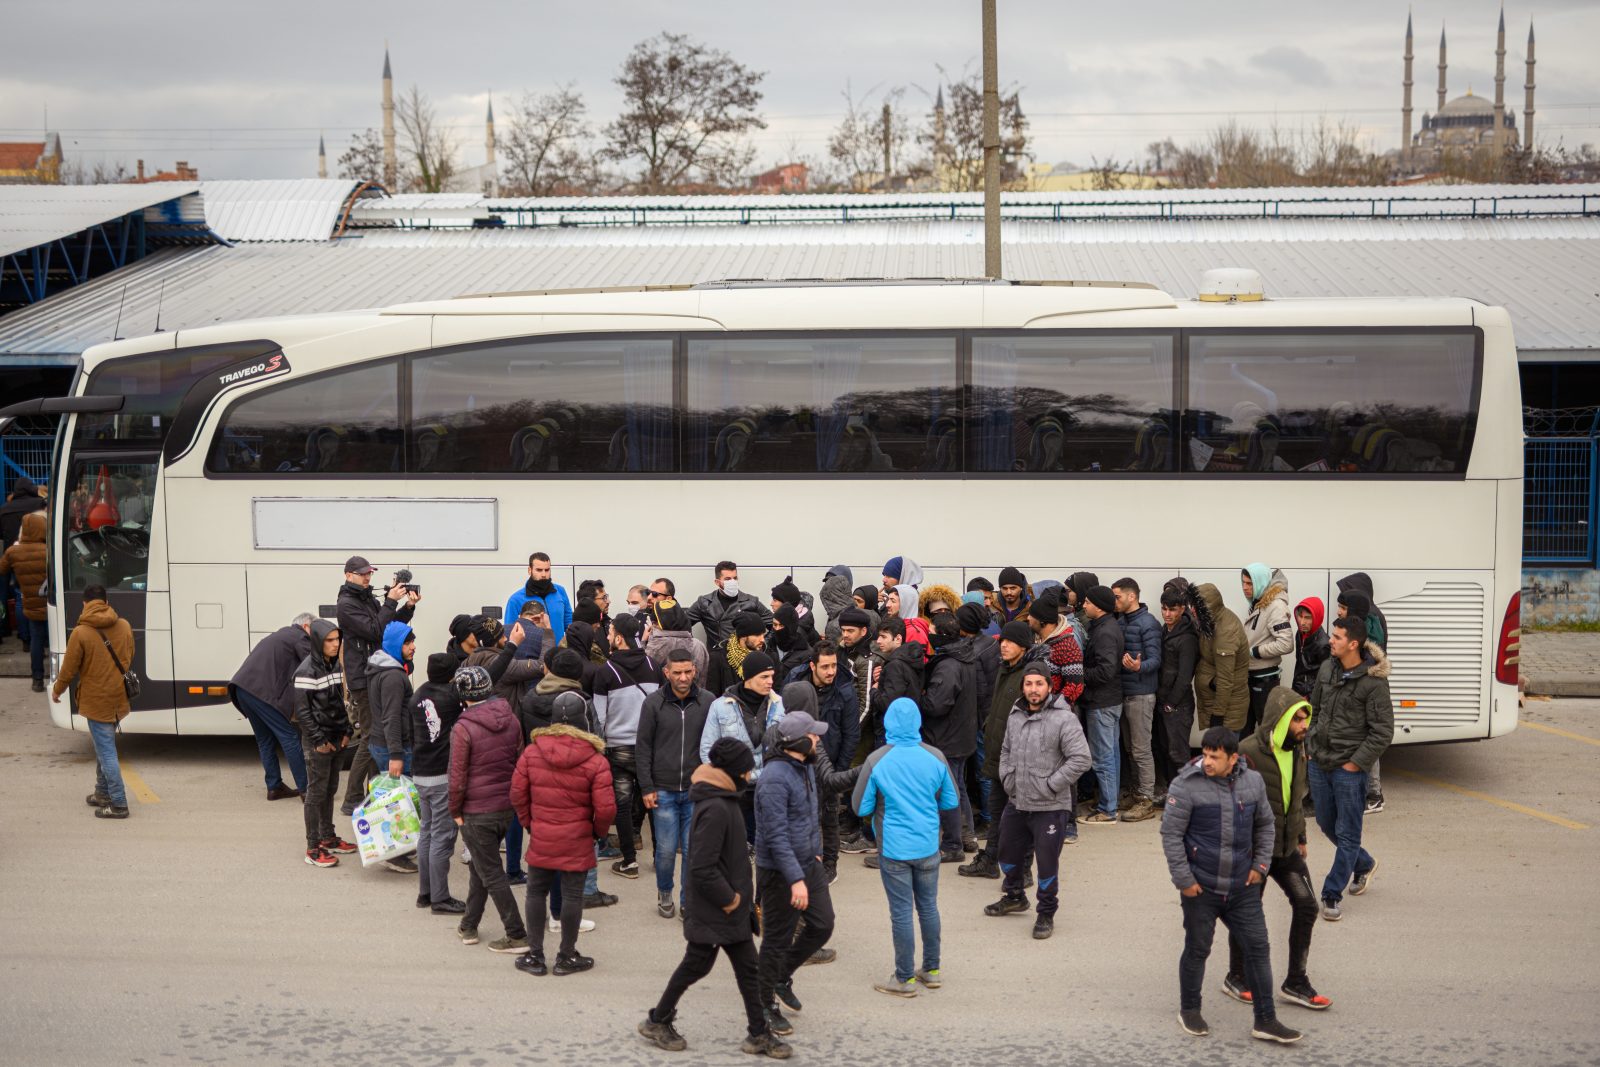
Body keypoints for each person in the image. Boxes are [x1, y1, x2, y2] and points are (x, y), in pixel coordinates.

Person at [637, 738, 791, 1059]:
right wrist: (730, 899)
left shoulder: (724, 800)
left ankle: (758, 1033)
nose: (750, 776)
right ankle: (658, 1020)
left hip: (729, 910)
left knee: (747, 970)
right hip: (718, 909)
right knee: (696, 965)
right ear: (735, 772)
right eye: (747, 770)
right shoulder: (716, 808)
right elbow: (701, 866)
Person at [1162, 726, 1301, 1044]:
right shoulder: (1185, 785)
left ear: (1233, 758)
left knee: (1258, 949)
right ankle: (1190, 1009)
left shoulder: (1252, 782)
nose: (1207, 762)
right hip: (1201, 888)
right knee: (1198, 949)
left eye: (1215, 756)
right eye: (1205, 755)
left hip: (1243, 888)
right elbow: (1171, 835)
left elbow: (1266, 823)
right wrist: (1185, 881)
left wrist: (1261, 866)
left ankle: (1265, 1020)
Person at [1225, 688, 1331, 1012]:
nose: (1303, 725)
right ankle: (1236, 976)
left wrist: (1301, 837)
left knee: (1307, 906)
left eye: (1305, 718)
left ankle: (1295, 981)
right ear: (1279, 719)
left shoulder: (1299, 749)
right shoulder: (1246, 753)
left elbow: (1294, 798)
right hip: (1253, 853)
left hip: (1286, 850)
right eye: (1297, 719)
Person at [852, 697, 959, 996]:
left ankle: (904, 978)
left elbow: (861, 807)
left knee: (901, 912)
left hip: (894, 850)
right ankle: (932, 969)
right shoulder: (935, 756)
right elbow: (950, 801)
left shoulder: (877, 760)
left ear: (888, 723)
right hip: (928, 846)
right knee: (928, 907)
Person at [510, 689, 615, 977]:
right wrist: (596, 833)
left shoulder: (532, 753)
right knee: (572, 896)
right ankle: (566, 955)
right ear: (584, 720)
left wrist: (531, 823)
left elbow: (517, 794)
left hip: (542, 833)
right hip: (578, 837)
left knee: (535, 892)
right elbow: (605, 808)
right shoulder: (596, 760)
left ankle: (535, 955)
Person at [984, 663, 1091, 939]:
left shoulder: (1064, 719)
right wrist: (1008, 778)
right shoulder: (1015, 714)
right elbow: (1006, 749)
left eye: (1039, 684)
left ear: (1049, 686)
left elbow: (1081, 759)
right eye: (1029, 684)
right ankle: (1015, 896)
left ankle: (1046, 913)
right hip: (1017, 801)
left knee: (1046, 864)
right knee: (1006, 854)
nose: (1033, 689)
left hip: (1050, 807)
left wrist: (1051, 785)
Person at [754, 710, 836, 1039]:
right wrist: (795, 879)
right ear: (798, 741)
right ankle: (763, 1005)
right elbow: (775, 836)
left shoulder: (805, 767)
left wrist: (815, 848)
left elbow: (809, 813)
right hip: (779, 872)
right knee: (775, 940)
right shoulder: (774, 778)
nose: (818, 739)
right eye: (813, 734)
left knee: (823, 924)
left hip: (807, 862)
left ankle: (781, 976)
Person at [1305, 615, 1392, 922]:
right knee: (1327, 823)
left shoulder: (1373, 682)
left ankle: (1331, 894)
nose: (1331, 640)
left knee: (1348, 832)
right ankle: (1364, 863)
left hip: (1348, 769)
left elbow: (1383, 731)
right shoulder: (1328, 668)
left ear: (1353, 644)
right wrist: (1310, 747)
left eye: (1338, 637)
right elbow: (1314, 710)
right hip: (1320, 761)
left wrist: (1356, 763)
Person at [448, 665, 530, 956]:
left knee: (491, 871)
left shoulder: (463, 727)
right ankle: (469, 925)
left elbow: (457, 776)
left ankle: (516, 933)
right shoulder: (511, 718)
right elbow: (520, 763)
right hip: (505, 806)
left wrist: (455, 810)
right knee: (480, 866)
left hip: (476, 810)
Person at [637, 648, 716, 918]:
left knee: (693, 851)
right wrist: (647, 787)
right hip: (663, 790)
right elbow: (643, 747)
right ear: (666, 673)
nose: (683, 678)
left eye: (688, 672)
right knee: (667, 851)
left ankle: (687, 901)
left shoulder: (708, 702)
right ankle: (664, 891)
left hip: (697, 791)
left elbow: (716, 746)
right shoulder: (653, 703)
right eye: (677, 673)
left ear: (695, 670)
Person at [336, 556, 417, 817]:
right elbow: (374, 631)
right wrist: (391, 601)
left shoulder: (365, 597)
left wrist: (407, 607)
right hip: (363, 677)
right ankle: (352, 799)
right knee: (371, 738)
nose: (367, 577)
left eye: (369, 573)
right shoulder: (346, 604)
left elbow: (387, 629)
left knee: (376, 737)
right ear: (348, 575)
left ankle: (372, 794)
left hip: (374, 672)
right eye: (362, 574)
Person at [52, 584, 136, 820]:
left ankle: (118, 803)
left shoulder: (81, 633)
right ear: (106, 602)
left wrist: (57, 690)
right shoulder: (124, 625)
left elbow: (69, 670)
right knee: (103, 746)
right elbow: (129, 657)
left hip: (95, 699)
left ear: (84, 604)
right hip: (118, 697)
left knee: (106, 751)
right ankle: (102, 793)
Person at [962, 620, 1035, 879]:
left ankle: (1024, 870)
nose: (1003, 645)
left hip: (1019, 762)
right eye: (1002, 640)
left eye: (1010, 642)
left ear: (1024, 646)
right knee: (997, 813)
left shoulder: (1030, 675)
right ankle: (990, 860)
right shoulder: (1005, 669)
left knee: (1021, 818)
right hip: (999, 755)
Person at [782, 641, 859, 883]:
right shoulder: (796, 682)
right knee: (805, 818)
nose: (831, 671)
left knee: (830, 817)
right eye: (825, 666)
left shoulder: (845, 689)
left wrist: (840, 769)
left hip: (832, 761)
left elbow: (851, 733)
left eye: (834, 665)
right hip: (801, 761)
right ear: (812, 665)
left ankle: (830, 865)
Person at [591, 614, 659, 879]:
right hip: (649, 746)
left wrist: (600, 746)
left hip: (618, 747)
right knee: (651, 799)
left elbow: (600, 716)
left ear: (619, 638)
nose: (608, 636)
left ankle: (629, 861)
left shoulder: (606, 671)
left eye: (610, 632)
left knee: (621, 802)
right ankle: (658, 856)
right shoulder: (654, 666)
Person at [699, 650, 786, 844]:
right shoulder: (720, 706)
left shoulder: (779, 705)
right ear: (748, 677)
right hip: (735, 787)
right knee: (736, 845)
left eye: (771, 676)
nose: (770, 681)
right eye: (764, 677)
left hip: (768, 785)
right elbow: (708, 749)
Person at [227, 612, 313, 800]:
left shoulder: (280, 635)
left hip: (242, 689)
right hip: (261, 694)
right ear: (306, 626)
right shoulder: (299, 636)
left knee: (265, 740)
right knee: (289, 737)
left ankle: (274, 787)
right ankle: (307, 789)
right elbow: (313, 664)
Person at [294, 619, 355, 866]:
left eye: (337, 639)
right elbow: (303, 712)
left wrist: (347, 730)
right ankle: (312, 848)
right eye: (329, 640)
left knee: (329, 790)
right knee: (316, 793)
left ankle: (328, 837)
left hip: (336, 739)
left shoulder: (335, 665)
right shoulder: (306, 671)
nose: (335, 644)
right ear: (318, 642)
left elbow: (339, 702)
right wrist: (319, 740)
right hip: (318, 743)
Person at [409, 652, 465, 911]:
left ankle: (425, 893)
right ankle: (440, 899)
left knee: (427, 833)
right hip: (441, 776)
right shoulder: (452, 698)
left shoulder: (418, 694)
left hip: (420, 773)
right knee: (442, 838)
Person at [922, 613, 980, 860]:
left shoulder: (947, 665)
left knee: (948, 792)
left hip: (946, 738)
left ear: (941, 636)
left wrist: (920, 697)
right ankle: (967, 836)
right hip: (962, 734)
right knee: (958, 789)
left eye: (932, 630)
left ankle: (952, 844)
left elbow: (936, 705)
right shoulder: (965, 657)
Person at [1335, 572, 1389, 815]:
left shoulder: (1370, 623)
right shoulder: (1364, 621)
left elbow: (1370, 658)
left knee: (1368, 739)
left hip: (1369, 689)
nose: (1339, 611)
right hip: (1363, 688)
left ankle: (1374, 794)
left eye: (1344, 606)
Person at [1113, 578, 1163, 822]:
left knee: (1142, 750)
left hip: (1141, 695)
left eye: (1118, 596)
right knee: (1131, 749)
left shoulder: (1148, 623)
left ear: (1131, 597)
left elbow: (1156, 660)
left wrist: (1138, 666)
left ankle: (1146, 800)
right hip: (1125, 693)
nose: (1115, 601)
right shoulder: (1122, 621)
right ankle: (1136, 795)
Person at [1077, 586, 1125, 826]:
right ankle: (1110, 802)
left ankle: (1108, 809)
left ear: (1099, 606)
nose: (1084, 606)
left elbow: (1106, 670)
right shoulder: (1106, 627)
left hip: (1102, 703)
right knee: (1111, 755)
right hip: (1109, 701)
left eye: (1087, 602)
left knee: (1103, 757)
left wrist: (1080, 674)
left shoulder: (1105, 632)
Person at [1156, 586, 1200, 801]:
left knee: (1179, 753)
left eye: (1172, 610)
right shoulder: (1167, 630)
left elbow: (1185, 676)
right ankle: (1174, 796)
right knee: (1167, 751)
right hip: (1166, 701)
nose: (1167, 614)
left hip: (1178, 704)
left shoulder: (1187, 638)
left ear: (1182, 609)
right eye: (1164, 609)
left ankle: (1187, 799)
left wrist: (1171, 703)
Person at [1241, 564, 1294, 737]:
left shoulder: (1275, 606)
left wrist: (1255, 652)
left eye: (1250, 584)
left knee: (1267, 734)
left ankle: (1269, 765)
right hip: (1252, 678)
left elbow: (1287, 643)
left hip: (1264, 682)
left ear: (1261, 583)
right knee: (1247, 733)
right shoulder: (1258, 603)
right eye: (1243, 583)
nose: (1245, 588)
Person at [1190, 582, 1249, 733]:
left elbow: (1225, 679)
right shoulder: (1213, 620)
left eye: (1196, 607)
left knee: (1225, 755)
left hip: (1228, 711)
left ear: (1208, 607)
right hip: (1219, 702)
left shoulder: (1225, 633)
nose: (1192, 610)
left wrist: (1218, 715)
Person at [0, 511, 49, 691]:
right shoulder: (48, 550)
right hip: (51, 603)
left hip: (29, 603)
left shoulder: (13, 551)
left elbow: (2, 570)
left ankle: (37, 679)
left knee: (36, 639)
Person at [0, 476, 46, 648]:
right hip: (38, 553)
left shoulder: (4, 509)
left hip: (13, 556)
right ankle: (43, 638)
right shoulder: (39, 503)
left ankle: (23, 635)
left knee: (20, 597)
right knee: (41, 597)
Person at [687, 561, 772, 646]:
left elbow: (775, 624)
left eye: (735, 578)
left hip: (743, 656)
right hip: (716, 656)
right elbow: (682, 624)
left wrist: (762, 644)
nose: (732, 582)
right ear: (717, 582)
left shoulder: (751, 602)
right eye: (727, 579)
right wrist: (692, 646)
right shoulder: (704, 602)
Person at [504, 551, 574, 645]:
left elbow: (569, 624)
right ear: (529, 570)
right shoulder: (515, 599)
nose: (544, 574)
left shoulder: (560, 592)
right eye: (539, 570)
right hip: (533, 656)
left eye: (547, 570)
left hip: (559, 654)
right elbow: (510, 633)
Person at [645, 597, 709, 682]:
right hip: (696, 694)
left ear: (657, 623)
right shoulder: (698, 645)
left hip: (664, 694)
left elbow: (645, 670)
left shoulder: (657, 644)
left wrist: (643, 641)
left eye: (653, 623)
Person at [707, 613, 769, 698]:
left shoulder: (768, 656)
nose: (762, 639)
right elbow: (713, 693)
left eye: (763, 634)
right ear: (743, 636)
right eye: (757, 635)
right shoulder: (719, 657)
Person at [1291, 598, 1330, 698]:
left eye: (1308, 618)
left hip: (1311, 695)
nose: (1302, 622)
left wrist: (1309, 696)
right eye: (1300, 616)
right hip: (1298, 688)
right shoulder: (1300, 634)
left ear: (1316, 617)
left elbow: (1325, 678)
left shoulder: (1324, 644)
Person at [819, 564, 855, 642]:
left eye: (833, 581)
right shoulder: (834, 610)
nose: (828, 585)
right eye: (827, 582)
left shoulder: (856, 609)